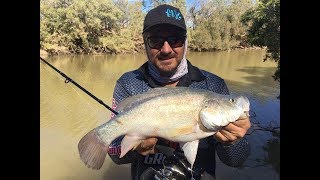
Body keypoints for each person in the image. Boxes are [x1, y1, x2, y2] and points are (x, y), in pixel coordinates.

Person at [107, 4, 251, 180]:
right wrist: (136, 150)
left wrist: (233, 142)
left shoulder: (212, 85)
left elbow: (237, 161)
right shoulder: (129, 83)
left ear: (185, 42)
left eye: (175, 39)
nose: (166, 49)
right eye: (155, 40)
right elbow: (113, 152)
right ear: (145, 42)